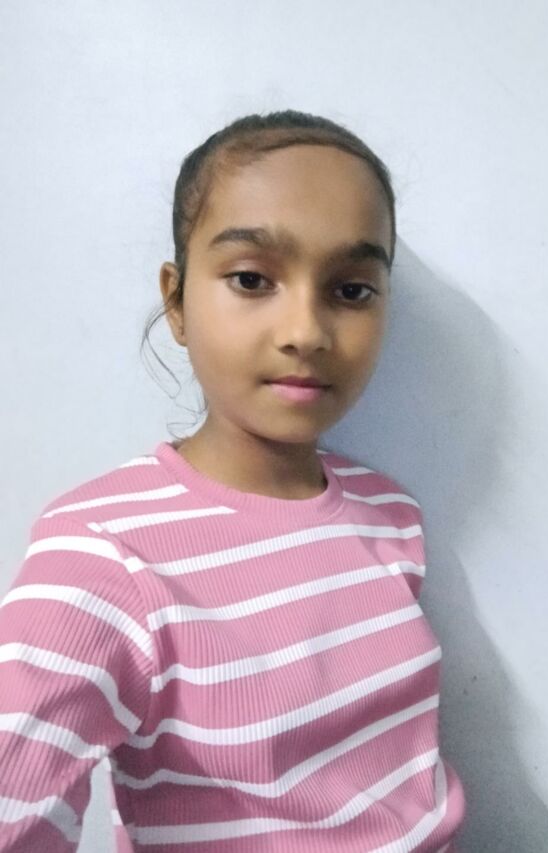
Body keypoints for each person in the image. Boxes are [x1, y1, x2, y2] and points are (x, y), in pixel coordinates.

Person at [0, 110, 465, 851]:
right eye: (252, 279)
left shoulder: (389, 512)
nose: (306, 332)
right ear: (177, 301)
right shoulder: (103, 556)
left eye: (351, 290)